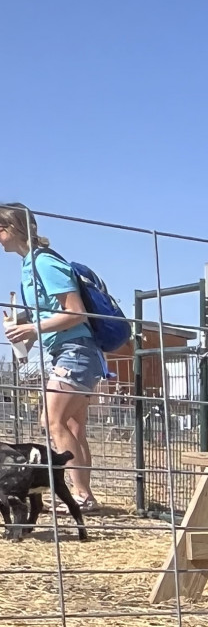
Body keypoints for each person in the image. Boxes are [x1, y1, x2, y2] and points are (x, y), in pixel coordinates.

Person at [0, 204, 104, 509]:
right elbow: (49, 317)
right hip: (77, 352)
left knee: (52, 421)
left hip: (75, 352)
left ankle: (81, 496)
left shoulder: (43, 263)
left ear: (15, 228)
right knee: (73, 426)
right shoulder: (31, 264)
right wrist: (25, 336)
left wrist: (31, 328)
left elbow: (75, 312)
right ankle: (85, 495)